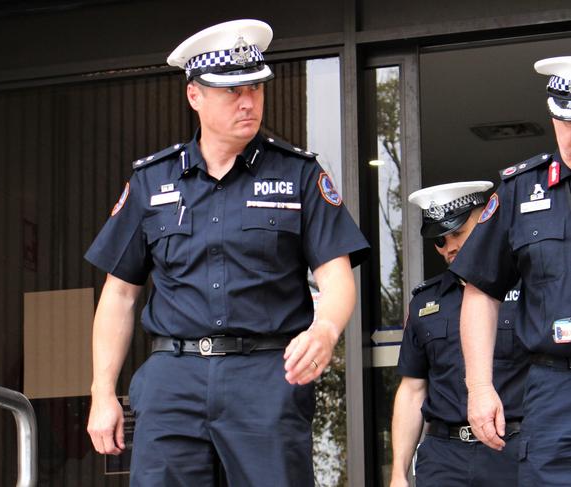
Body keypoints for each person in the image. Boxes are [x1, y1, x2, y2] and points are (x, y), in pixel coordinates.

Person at [84, 19, 370, 486]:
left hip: (264, 376)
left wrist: (326, 328)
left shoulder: (298, 175)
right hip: (172, 378)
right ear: (195, 95)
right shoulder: (151, 182)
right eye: (232, 90)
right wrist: (102, 392)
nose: (248, 102)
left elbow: (337, 277)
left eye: (255, 88)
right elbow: (118, 297)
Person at [450, 56, 571, 486]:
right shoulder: (522, 190)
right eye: (566, 121)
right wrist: (480, 387)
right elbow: (480, 289)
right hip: (555, 386)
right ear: (553, 116)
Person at [390, 182, 528, 487]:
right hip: (444, 457)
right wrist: (398, 472)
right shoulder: (425, 301)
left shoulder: (526, 289)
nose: (449, 246)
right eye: (440, 240)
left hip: (514, 450)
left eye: (457, 233)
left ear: (484, 221)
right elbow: (413, 389)